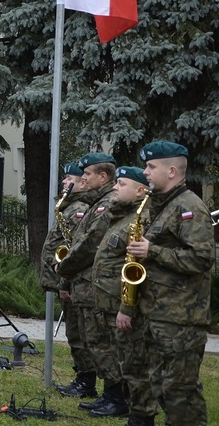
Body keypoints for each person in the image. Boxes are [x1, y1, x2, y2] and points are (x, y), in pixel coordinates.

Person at [123, 142, 213, 426]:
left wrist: (152, 251)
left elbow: (201, 259)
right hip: (159, 314)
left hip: (181, 319)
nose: (145, 172)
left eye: (151, 167)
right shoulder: (164, 205)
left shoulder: (189, 207)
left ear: (172, 171)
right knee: (162, 385)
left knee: (181, 393)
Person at [91, 166, 157, 424]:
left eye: (121, 184)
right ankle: (130, 408)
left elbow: (140, 268)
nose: (115, 187)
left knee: (135, 365)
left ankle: (142, 416)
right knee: (124, 362)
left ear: (140, 191)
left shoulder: (142, 220)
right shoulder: (122, 217)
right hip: (111, 302)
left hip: (126, 306)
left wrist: (128, 307)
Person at [56, 152, 121, 412]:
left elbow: (90, 245)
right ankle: (110, 394)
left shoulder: (108, 203)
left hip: (96, 284)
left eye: (87, 174)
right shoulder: (97, 202)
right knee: (92, 340)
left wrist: (64, 267)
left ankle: (116, 396)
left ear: (102, 177)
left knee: (101, 342)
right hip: (84, 282)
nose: (83, 179)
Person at [39, 162, 95, 399]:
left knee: (78, 334)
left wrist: (66, 282)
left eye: (69, 178)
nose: (64, 182)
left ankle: (86, 381)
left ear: (82, 182)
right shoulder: (69, 206)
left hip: (72, 282)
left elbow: (76, 249)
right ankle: (83, 377)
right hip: (66, 280)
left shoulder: (80, 208)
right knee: (74, 333)